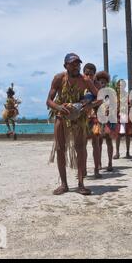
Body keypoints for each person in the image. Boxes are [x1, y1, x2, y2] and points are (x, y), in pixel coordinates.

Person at [47, 53, 99, 196]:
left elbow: (99, 97)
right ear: (65, 66)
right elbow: (49, 101)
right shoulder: (59, 79)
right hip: (61, 117)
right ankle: (64, 184)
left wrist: (87, 106)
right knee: (60, 149)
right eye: (73, 64)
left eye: (78, 64)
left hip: (78, 118)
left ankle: (81, 184)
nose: (76, 66)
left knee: (81, 149)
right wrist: (58, 108)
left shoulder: (85, 81)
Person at [83, 63, 102, 179]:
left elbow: (100, 100)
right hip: (82, 119)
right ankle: (83, 169)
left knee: (95, 144)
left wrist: (90, 105)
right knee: (82, 145)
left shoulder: (98, 85)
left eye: (91, 74)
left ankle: (96, 169)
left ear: (94, 75)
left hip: (95, 119)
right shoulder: (80, 84)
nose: (89, 76)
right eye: (86, 74)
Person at [95, 71, 116, 172]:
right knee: (98, 142)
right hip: (98, 120)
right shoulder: (95, 92)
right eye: (100, 82)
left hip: (109, 120)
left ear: (107, 83)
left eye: (104, 82)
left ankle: (110, 163)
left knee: (108, 141)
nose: (102, 84)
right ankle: (98, 163)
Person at [113, 79, 132, 159]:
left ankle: (127, 152)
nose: (120, 86)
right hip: (118, 116)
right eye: (119, 85)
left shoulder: (127, 95)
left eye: (122, 85)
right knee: (117, 135)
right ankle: (117, 153)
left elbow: (130, 104)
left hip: (126, 115)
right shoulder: (115, 95)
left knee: (127, 135)